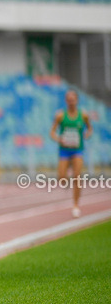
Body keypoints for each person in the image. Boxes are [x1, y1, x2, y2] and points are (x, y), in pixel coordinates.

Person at [49, 89, 92, 218]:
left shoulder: (83, 115)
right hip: (64, 151)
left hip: (77, 150)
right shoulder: (60, 116)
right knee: (62, 178)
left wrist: (87, 134)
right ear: (66, 101)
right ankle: (65, 179)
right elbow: (52, 132)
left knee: (77, 176)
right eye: (69, 99)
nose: (71, 102)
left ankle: (76, 205)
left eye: (73, 99)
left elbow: (89, 128)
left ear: (77, 100)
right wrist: (59, 138)